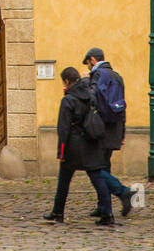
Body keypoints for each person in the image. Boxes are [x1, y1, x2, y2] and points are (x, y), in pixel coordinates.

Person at [44, 66, 114, 226]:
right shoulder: (90, 94)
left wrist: (61, 152)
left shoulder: (68, 100)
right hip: (91, 142)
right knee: (97, 179)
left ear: (67, 81)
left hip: (73, 147)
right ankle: (107, 213)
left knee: (64, 181)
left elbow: (63, 129)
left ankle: (58, 212)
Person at [83, 47, 133, 219]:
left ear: (92, 60)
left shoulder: (98, 76)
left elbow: (93, 99)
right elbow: (122, 106)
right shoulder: (117, 76)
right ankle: (103, 206)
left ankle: (123, 192)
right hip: (115, 127)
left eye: (88, 64)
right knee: (104, 165)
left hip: (100, 128)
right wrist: (123, 132)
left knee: (94, 168)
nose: (89, 67)